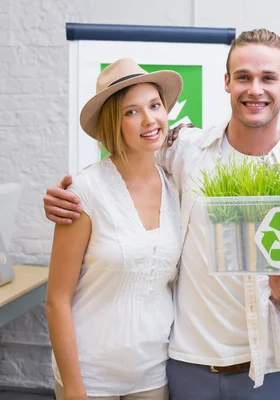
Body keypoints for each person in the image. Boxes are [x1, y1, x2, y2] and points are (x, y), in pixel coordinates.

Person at [43, 29, 280, 400]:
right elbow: (123, 168)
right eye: (243, 77)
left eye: (268, 77)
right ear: (227, 82)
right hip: (186, 368)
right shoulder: (187, 152)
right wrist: (61, 198)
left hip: (264, 369)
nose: (255, 89)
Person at [45, 58, 183, 400]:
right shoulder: (84, 191)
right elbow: (56, 300)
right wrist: (76, 389)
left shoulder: (175, 186)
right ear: (113, 123)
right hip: (90, 375)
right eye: (131, 112)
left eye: (154, 105)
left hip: (152, 372)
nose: (150, 119)